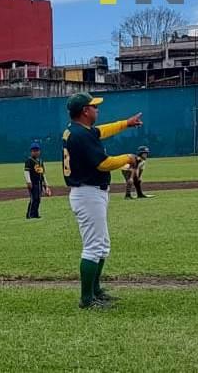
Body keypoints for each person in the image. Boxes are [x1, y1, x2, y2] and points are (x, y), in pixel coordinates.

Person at [62, 92, 143, 309]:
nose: (97, 109)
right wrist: (128, 158)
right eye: (94, 107)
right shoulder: (81, 135)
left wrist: (126, 123)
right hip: (87, 192)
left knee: (102, 245)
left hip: (91, 192)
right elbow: (103, 163)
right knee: (93, 247)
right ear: (85, 111)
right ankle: (87, 299)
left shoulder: (78, 131)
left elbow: (102, 131)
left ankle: (95, 291)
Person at [24, 142, 52, 219]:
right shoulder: (29, 161)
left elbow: (42, 173)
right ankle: (30, 215)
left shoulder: (40, 161)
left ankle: (35, 214)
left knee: (38, 199)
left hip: (39, 182)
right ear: (31, 152)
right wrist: (28, 181)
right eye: (34, 150)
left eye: (37, 150)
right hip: (33, 183)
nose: (36, 152)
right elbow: (26, 172)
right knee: (34, 198)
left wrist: (46, 185)